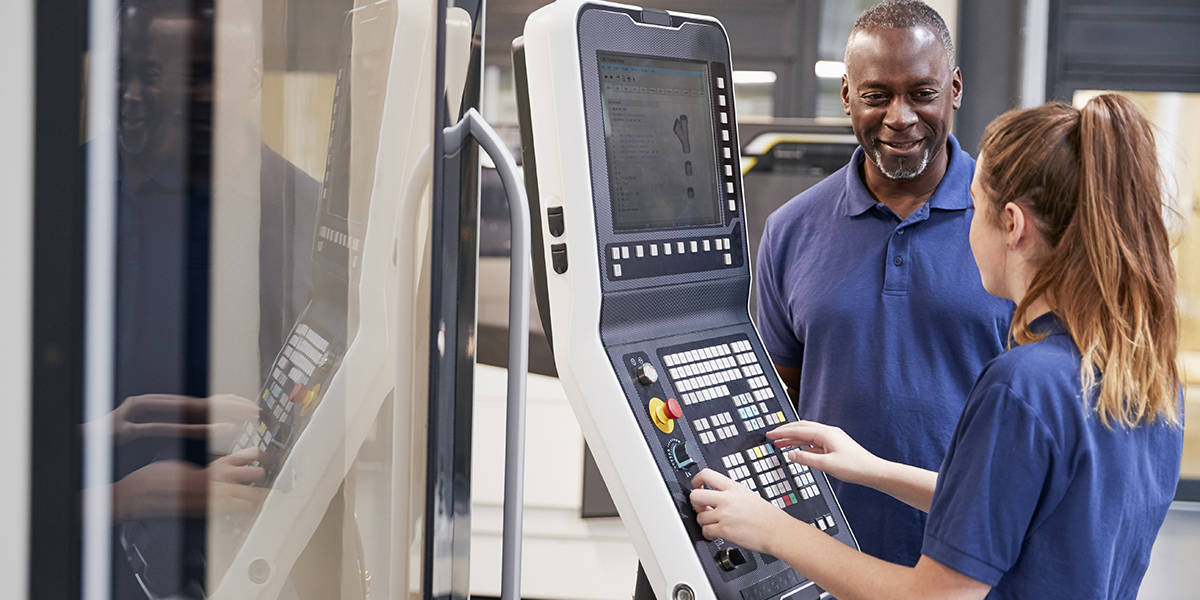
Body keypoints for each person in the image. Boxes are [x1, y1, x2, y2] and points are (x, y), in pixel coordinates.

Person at [692, 93, 1184, 599]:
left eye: (975, 207)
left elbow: (931, 597)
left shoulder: (1023, 385)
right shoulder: (1143, 374)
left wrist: (768, 526)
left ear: (1011, 225)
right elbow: (1024, 508)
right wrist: (873, 469)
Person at [754, 0, 1012, 566]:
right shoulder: (789, 231)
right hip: (828, 553)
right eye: (877, 95)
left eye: (922, 93)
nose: (900, 116)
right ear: (847, 94)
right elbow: (779, 402)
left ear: (955, 88)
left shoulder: (1013, 227)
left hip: (975, 556)